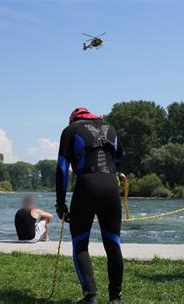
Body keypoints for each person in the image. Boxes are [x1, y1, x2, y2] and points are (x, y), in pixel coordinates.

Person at [55, 107, 124, 304]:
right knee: (113, 242)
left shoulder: (70, 130)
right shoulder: (110, 127)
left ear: (73, 119)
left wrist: (61, 203)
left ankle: (90, 296)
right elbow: (120, 157)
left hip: (86, 185)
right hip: (111, 185)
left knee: (80, 242)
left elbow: (62, 168)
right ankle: (115, 297)